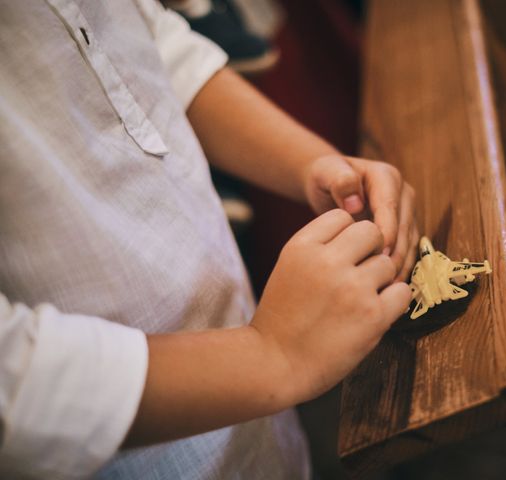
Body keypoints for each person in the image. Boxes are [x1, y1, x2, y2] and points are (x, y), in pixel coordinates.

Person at [0, 0, 418, 478]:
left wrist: (316, 164)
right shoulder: (272, 356)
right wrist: (271, 354)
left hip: (257, 413)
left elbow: (143, 45)